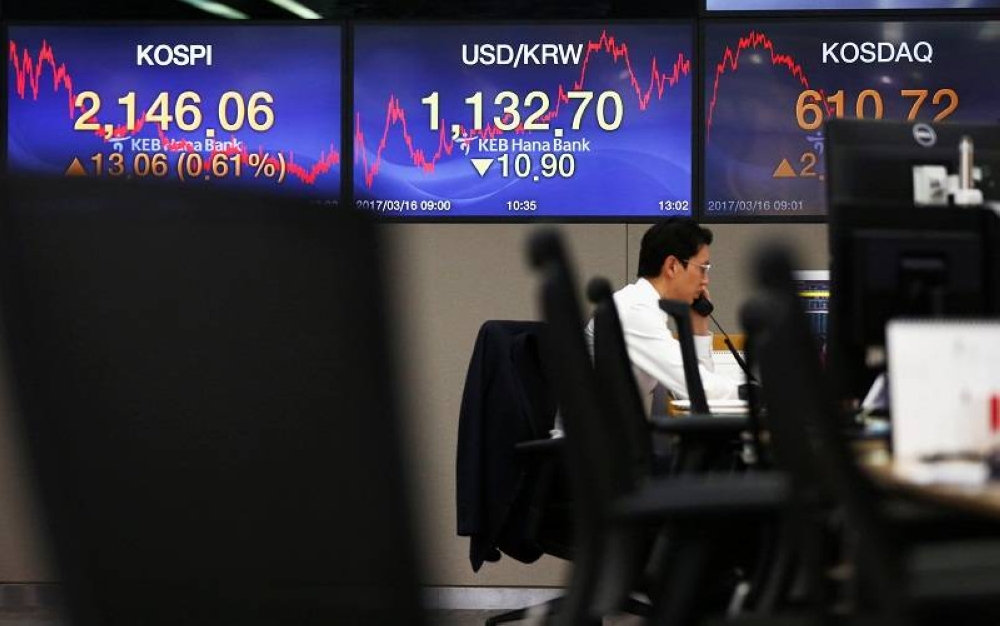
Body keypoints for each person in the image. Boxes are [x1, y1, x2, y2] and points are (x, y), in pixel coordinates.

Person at [585, 218, 741, 413]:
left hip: (606, 439)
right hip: (587, 442)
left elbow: (692, 392)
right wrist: (752, 393)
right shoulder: (634, 311)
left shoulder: (645, 308)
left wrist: (699, 327)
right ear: (672, 266)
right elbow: (698, 388)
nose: (706, 281)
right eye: (702, 269)